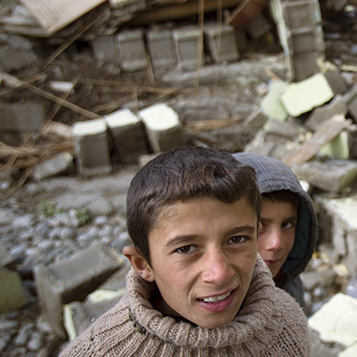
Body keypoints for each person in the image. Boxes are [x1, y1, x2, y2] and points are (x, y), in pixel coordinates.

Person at [60, 147, 309, 357]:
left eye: (236, 239)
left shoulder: (287, 324)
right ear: (142, 264)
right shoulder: (98, 352)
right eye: (186, 248)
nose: (219, 274)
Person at [232, 153, 318, 312]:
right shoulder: (205, 308)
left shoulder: (289, 287)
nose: (276, 244)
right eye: (259, 226)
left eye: (287, 224)